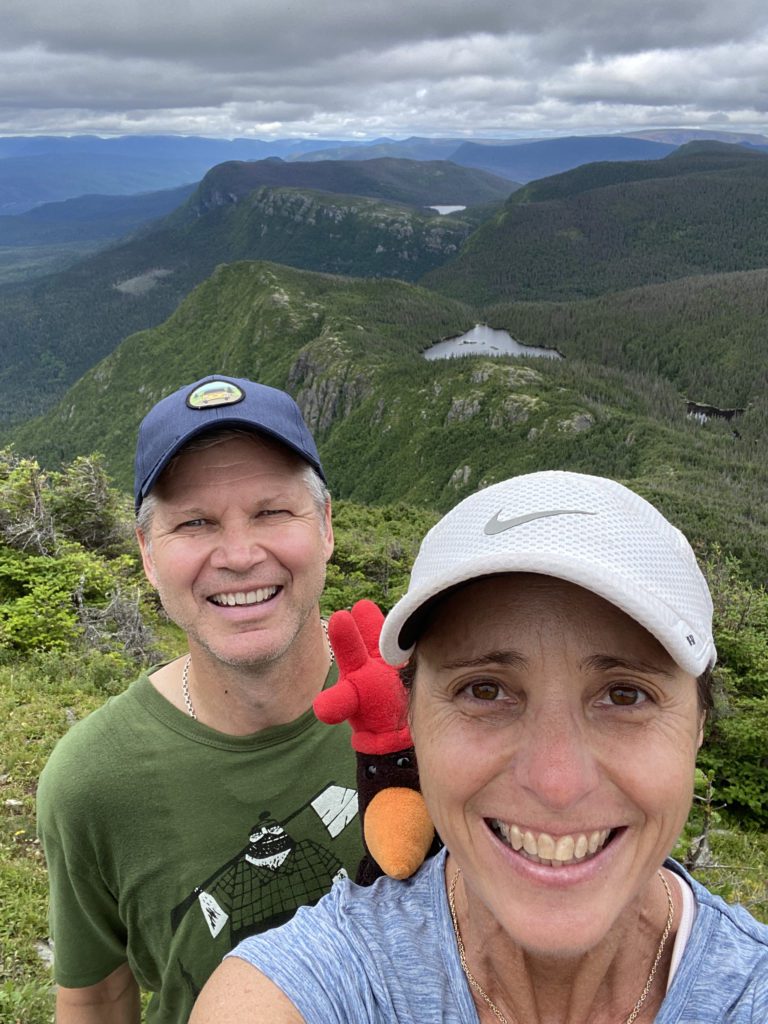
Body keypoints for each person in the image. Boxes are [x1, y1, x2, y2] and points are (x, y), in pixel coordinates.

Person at [191, 470, 768, 1024]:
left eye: (624, 695)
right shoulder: (313, 987)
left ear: (697, 728)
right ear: (410, 717)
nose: (557, 783)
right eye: (485, 690)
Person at [37, 375, 363, 1024]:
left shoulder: (429, 711)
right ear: (149, 555)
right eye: (194, 522)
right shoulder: (92, 783)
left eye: (272, 511)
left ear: (324, 526)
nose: (240, 555)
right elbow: (97, 998)